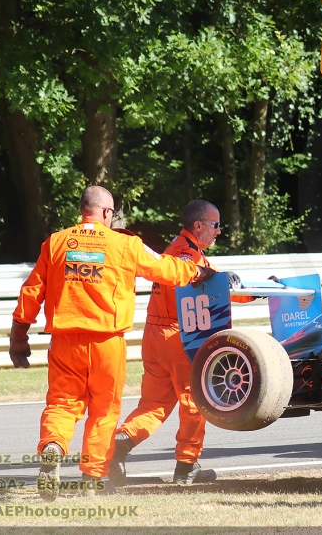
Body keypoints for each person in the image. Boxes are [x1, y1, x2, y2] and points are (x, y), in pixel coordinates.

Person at [11, 186, 213, 501]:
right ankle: (92, 479)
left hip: (65, 341)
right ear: (108, 213)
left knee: (62, 404)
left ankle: (53, 446)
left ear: (82, 210)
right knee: (104, 410)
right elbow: (163, 268)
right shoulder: (125, 244)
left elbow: (31, 290)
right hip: (107, 341)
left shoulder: (56, 242)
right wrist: (195, 270)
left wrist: (19, 336)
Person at [111, 200, 253, 486]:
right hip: (180, 338)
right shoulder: (190, 257)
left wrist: (248, 292)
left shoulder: (174, 249)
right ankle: (186, 466)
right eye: (215, 225)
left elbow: (213, 283)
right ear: (198, 225)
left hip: (154, 337)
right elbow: (214, 289)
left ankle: (121, 442)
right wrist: (254, 293)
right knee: (195, 401)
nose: (219, 231)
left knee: (154, 404)